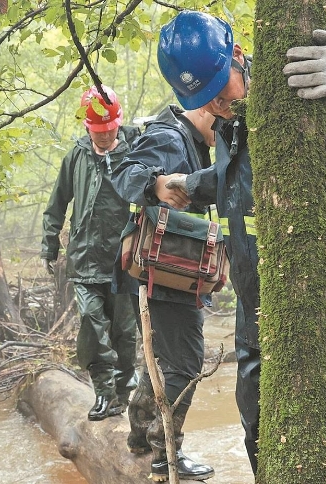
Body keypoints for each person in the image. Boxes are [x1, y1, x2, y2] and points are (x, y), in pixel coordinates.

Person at [154, 11, 326, 478]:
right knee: (257, 425)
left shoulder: (287, 89)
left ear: (239, 57)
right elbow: (236, 179)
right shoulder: (229, 120)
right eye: (208, 101)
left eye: (223, 90)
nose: (221, 106)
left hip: (313, 295)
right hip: (253, 299)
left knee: (314, 425)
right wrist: (188, 183)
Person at [110, 106, 218, 481]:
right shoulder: (172, 137)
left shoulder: (186, 137)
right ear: (207, 108)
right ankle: (166, 453)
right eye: (222, 122)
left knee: (159, 360)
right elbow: (125, 173)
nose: (224, 134)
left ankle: (140, 436)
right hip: (169, 275)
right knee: (186, 365)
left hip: (163, 273)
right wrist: (154, 185)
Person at [40, 85, 140, 421]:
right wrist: (49, 245)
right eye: (98, 131)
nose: (104, 135)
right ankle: (103, 393)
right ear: (87, 127)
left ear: (118, 123)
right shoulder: (77, 156)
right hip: (83, 259)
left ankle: (125, 393)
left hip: (124, 260)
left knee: (124, 332)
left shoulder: (136, 150)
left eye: (109, 129)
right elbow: (56, 204)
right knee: (91, 325)